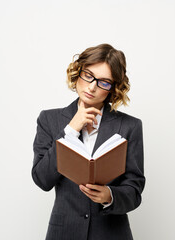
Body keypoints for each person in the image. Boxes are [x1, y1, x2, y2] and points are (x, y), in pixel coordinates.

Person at [32, 43, 145, 240]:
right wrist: (70, 130)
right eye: (88, 75)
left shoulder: (130, 126)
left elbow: (134, 191)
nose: (92, 87)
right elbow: (42, 179)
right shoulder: (49, 120)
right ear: (78, 72)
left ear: (112, 88)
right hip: (64, 232)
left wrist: (110, 196)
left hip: (111, 233)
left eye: (104, 82)